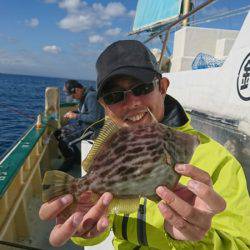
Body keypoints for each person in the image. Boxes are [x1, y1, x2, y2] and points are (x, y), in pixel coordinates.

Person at [40, 40, 250, 249]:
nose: (132, 103)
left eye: (142, 87)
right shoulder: (115, 151)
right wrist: (84, 229)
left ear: (162, 87)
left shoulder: (220, 162)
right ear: (104, 105)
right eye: (114, 96)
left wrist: (196, 238)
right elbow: (100, 225)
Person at [54, 79, 104, 171]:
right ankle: (76, 159)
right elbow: (86, 112)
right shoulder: (84, 96)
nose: (73, 98)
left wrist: (75, 115)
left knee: (65, 140)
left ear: (77, 90)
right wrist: (74, 112)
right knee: (57, 133)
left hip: (92, 129)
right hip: (83, 125)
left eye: (73, 95)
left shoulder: (91, 97)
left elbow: (95, 118)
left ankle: (70, 162)